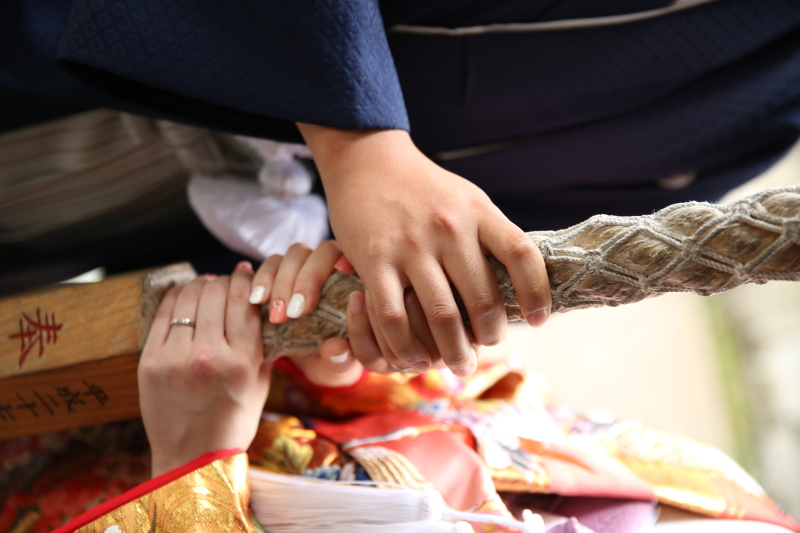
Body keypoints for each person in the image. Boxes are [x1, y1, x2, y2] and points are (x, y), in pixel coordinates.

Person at [4, 0, 800, 378]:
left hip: (168, 220)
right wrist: (358, 137)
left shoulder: (771, 106)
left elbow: (476, 238)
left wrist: (346, 306)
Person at [5, 241, 789, 533]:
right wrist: (346, 368)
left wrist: (191, 469)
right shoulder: (734, 503)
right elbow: (498, 427)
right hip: (99, 398)